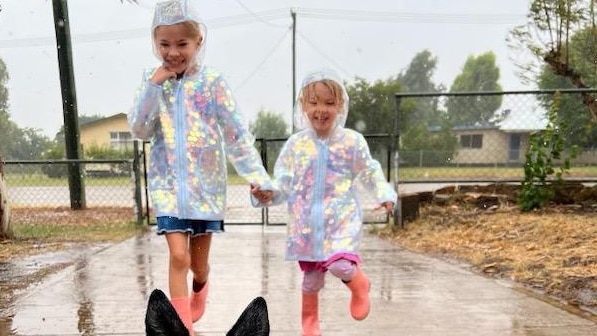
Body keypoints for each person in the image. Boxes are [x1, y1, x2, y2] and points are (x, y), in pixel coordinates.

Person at [129, 1, 272, 335]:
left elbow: (236, 134)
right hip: (168, 188)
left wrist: (257, 177)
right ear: (155, 43)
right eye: (164, 44)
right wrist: (153, 85)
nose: (173, 52)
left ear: (198, 43)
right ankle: (185, 328)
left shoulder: (212, 83)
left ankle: (201, 285)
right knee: (178, 257)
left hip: (205, 189)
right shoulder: (152, 82)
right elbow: (139, 129)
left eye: (182, 44)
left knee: (197, 264)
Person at [251, 69, 396, 336]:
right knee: (311, 279)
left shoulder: (351, 142)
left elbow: (369, 171)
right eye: (314, 102)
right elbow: (283, 183)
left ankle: (359, 284)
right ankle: (309, 323)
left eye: (329, 103)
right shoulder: (296, 145)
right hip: (306, 226)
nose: (321, 109)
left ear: (340, 105)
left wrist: (384, 194)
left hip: (340, 222)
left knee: (340, 264)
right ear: (303, 105)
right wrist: (267, 193)